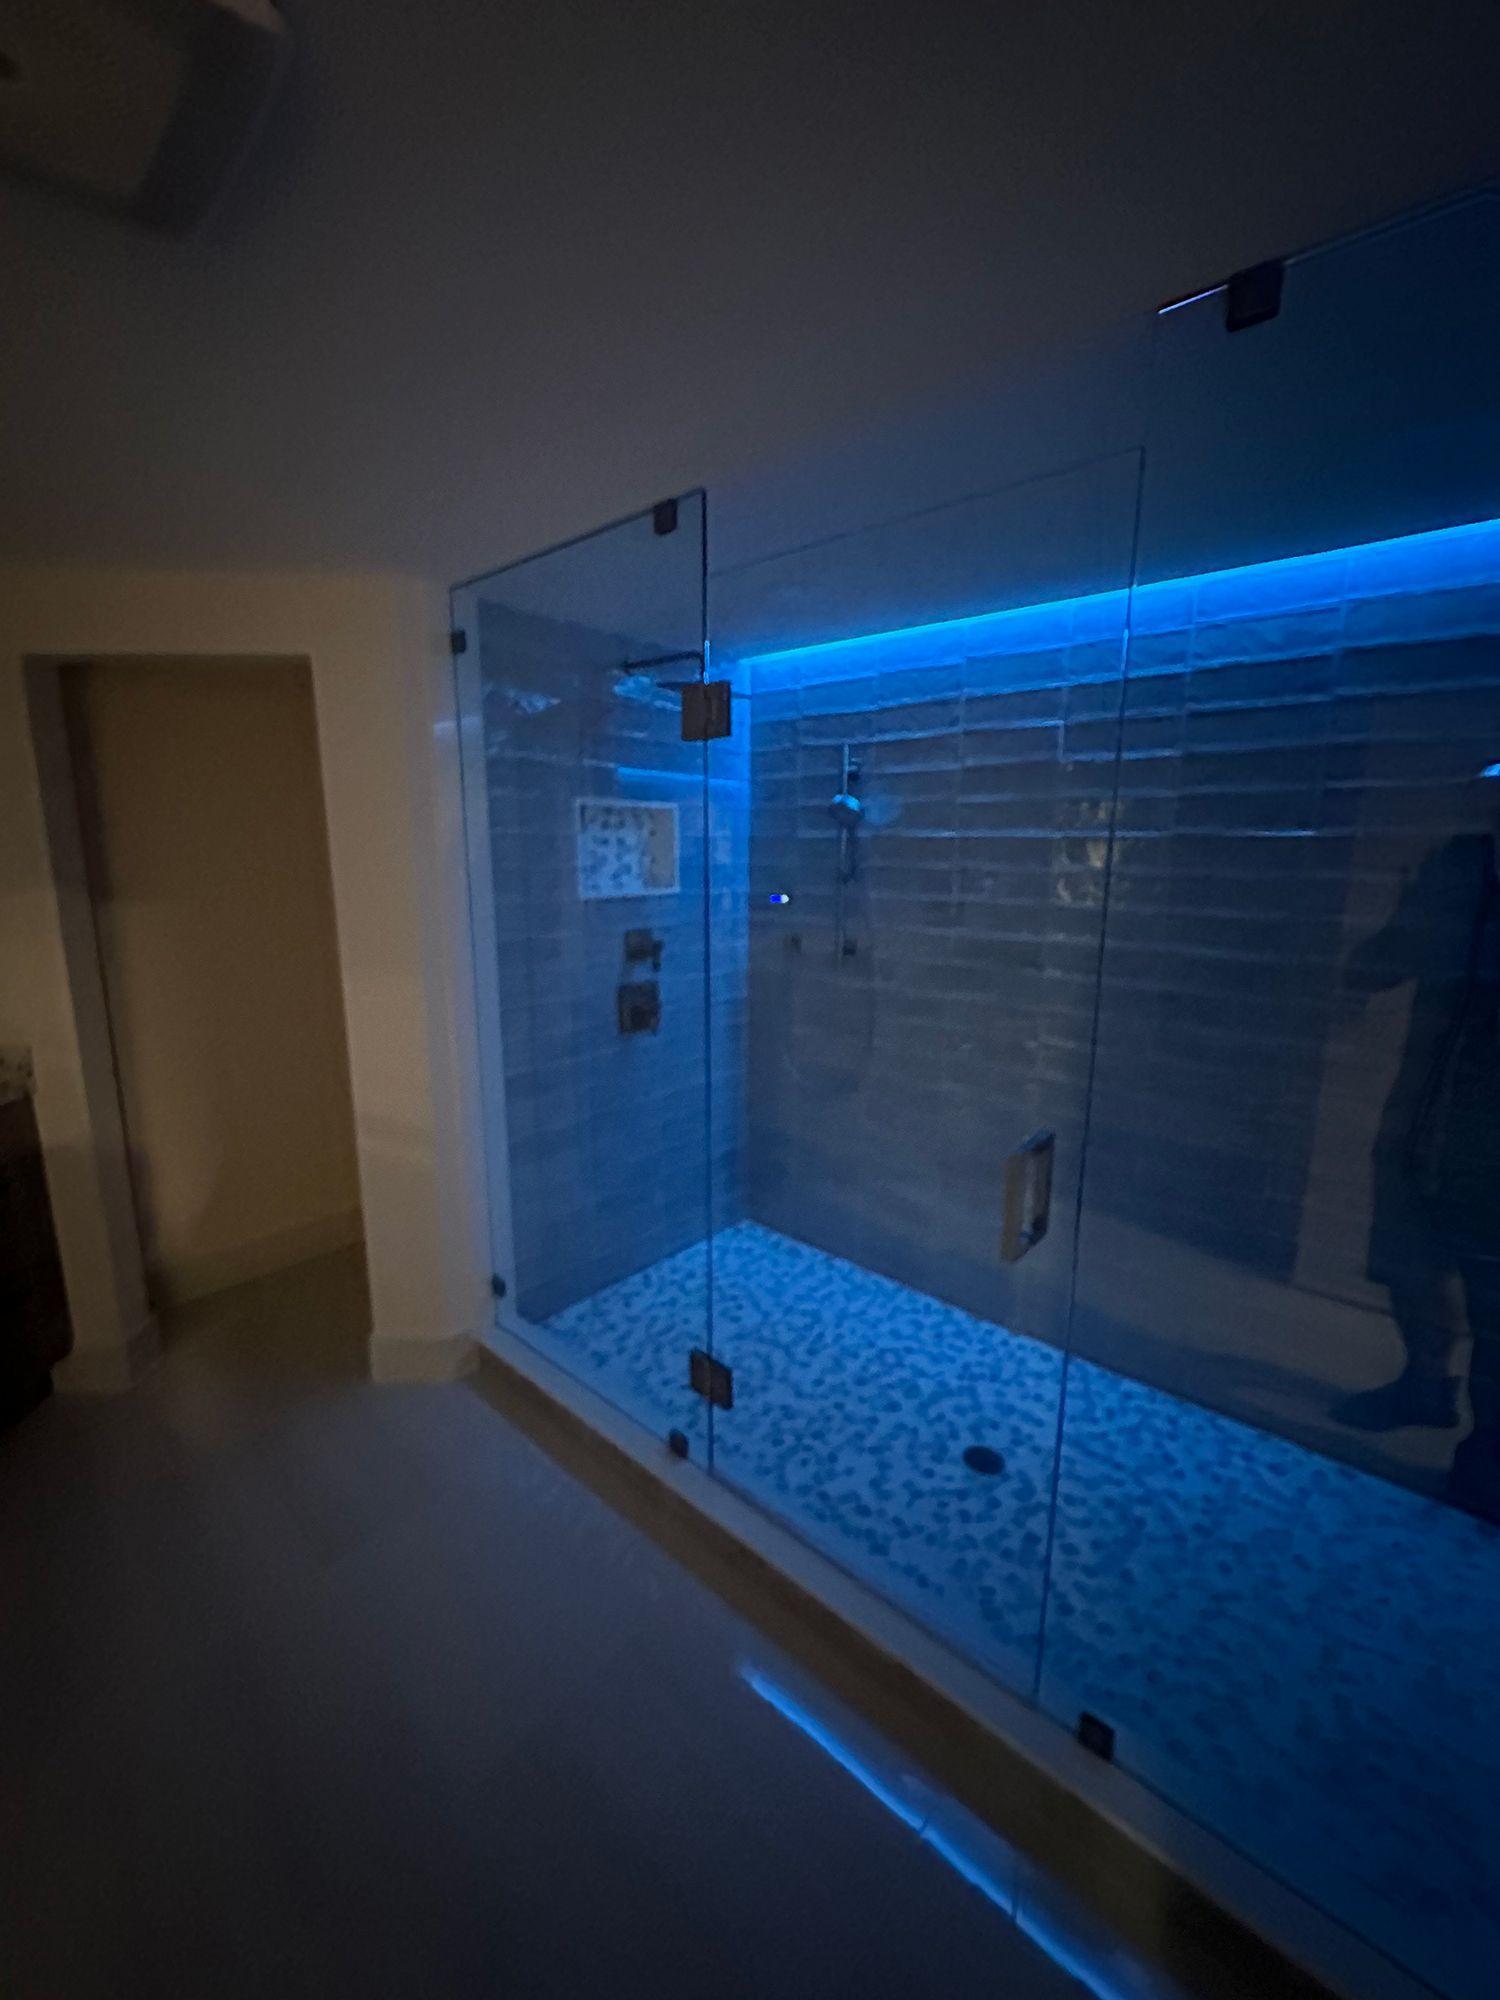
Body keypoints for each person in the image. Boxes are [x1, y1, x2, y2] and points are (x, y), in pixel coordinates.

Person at [1334, 773, 1500, 1526]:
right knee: (1408, 1252)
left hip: (1483, 1123)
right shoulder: (1461, 866)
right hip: (1426, 1104)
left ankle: (1491, 1452)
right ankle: (1424, 1383)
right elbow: (1387, 956)